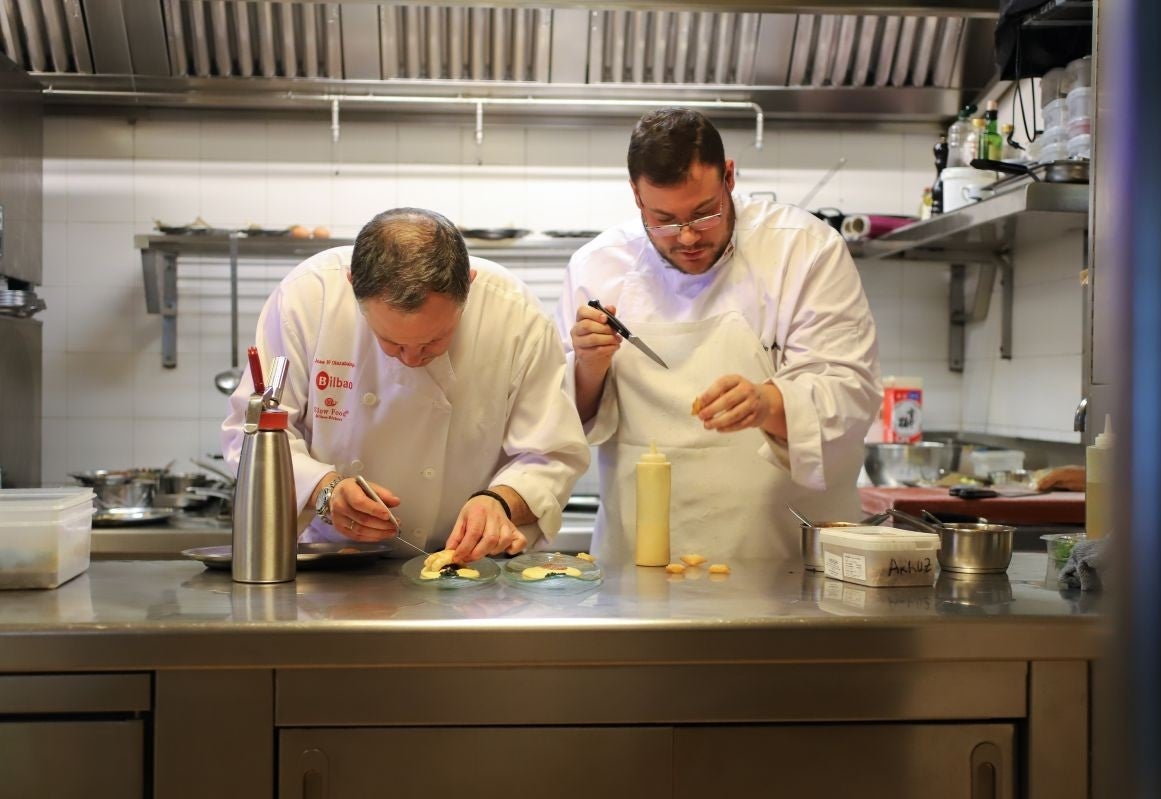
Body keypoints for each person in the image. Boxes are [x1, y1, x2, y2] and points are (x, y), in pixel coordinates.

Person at [556, 108, 881, 562]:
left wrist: (769, 402)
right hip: (638, 562)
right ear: (636, 197)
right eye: (664, 220)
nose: (687, 237)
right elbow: (560, 420)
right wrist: (589, 366)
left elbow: (851, 394)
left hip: (777, 558)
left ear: (729, 177)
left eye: (704, 214)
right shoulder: (597, 267)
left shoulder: (803, 249)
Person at [222, 208, 590, 562]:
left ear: (469, 287)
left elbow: (553, 452)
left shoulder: (515, 315)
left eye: (433, 341)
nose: (413, 359)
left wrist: (501, 501)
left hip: (470, 567)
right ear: (353, 285)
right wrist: (323, 489)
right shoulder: (307, 299)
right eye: (393, 343)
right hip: (334, 563)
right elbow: (253, 432)